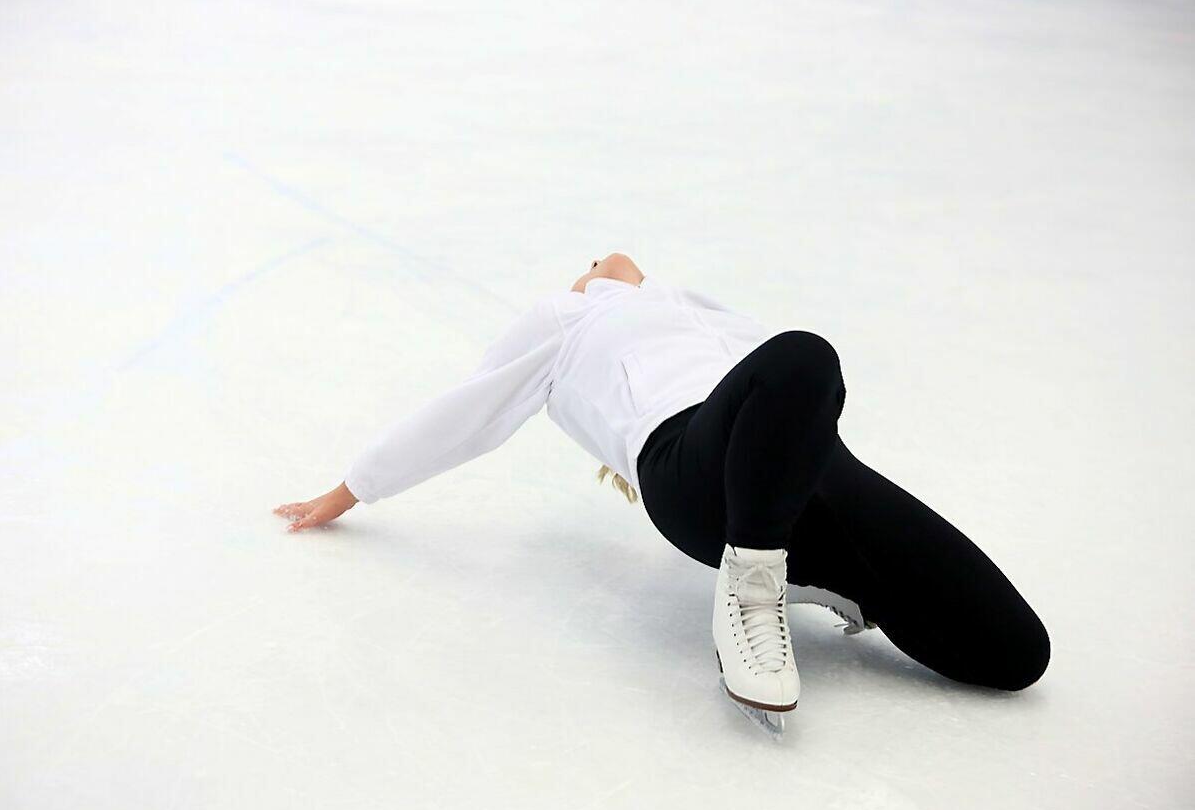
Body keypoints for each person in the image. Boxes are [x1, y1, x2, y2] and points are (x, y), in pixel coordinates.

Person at [274, 252, 1050, 731]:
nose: (599, 259)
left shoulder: (695, 303)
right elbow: (470, 408)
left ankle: (820, 574)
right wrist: (351, 488)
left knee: (1018, 653)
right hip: (688, 468)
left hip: (812, 474)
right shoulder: (565, 319)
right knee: (805, 355)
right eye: (587, 264)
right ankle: (752, 583)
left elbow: (794, 405)